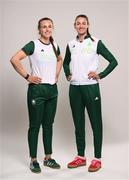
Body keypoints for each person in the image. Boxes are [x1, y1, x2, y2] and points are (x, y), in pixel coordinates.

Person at [63, 14, 118, 172]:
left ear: (87, 25)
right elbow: (66, 62)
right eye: (78, 23)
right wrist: (68, 73)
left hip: (90, 87)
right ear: (74, 26)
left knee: (96, 123)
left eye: (83, 23)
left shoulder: (96, 42)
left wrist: (100, 75)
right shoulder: (71, 44)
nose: (81, 26)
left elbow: (113, 61)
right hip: (74, 88)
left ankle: (97, 159)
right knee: (78, 124)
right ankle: (80, 157)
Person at [10, 17, 62, 173]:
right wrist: (27, 76)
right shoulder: (33, 45)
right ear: (39, 29)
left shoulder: (55, 45)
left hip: (52, 91)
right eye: (43, 27)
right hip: (37, 91)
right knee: (35, 126)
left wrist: (56, 74)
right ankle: (33, 160)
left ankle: (48, 158)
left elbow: (60, 59)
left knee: (48, 125)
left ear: (52, 28)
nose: (47, 29)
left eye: (49, 26)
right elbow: (14, 59)